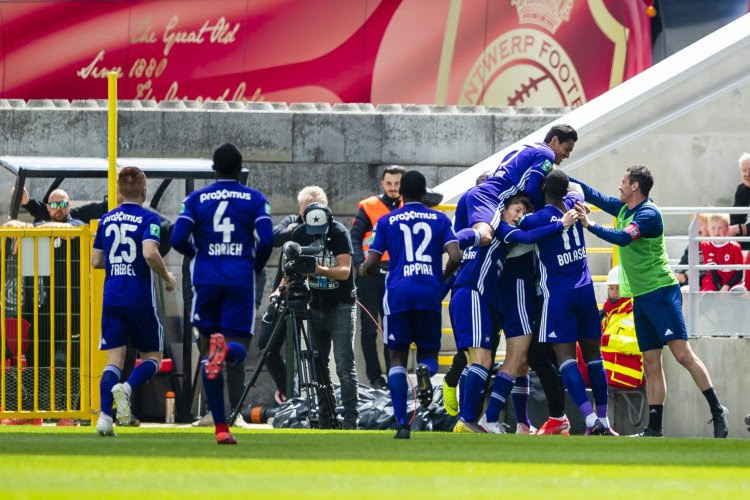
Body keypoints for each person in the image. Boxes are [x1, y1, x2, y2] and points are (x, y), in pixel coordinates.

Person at [574, 165, 729, 438]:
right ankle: (654, 428)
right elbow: (592, 194)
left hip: (662, 293)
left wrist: (591, 224)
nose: (619, 186)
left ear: (635, 186)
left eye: (623, 182)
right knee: (651, 361)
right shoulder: (623, 208)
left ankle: (717, 410)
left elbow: (623, 238)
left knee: (682, 354)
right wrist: (556, 172)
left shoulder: (648, 214)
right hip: (641, 297)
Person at [171, 144, 274, 445]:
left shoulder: (195, 199)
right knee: (237, 345)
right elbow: (266, 240)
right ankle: (225, 352)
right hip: (239, 278)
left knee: (207, 353)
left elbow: (178, 238)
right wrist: (252, 265)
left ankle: (219, 427)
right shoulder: (255, 199)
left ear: (213, 168)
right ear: (240, 169)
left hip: (205, 278)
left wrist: (198, 253)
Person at [451, 191, 577, 433]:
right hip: (476, 293)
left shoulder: (497, 231)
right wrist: (561, 223)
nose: (520, 215)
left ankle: (486, 421)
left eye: (523, 212)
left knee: (488, 361)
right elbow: (527, 236)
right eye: (516, 210)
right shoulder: (499, 228)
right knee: (496, 359)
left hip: (481, 296)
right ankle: (473, 419)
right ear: (501, 209)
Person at [361, 170, 462, 439]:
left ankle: (403, 425)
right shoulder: (440, 219)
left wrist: (363, 271)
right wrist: (439, 277)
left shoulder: (385, 220)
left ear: (401, 193)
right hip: (429, 293)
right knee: (428, 353)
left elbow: (371, 264)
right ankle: (425, 372)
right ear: (424, 192)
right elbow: (455, 255)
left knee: (396, 357)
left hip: (398, 294)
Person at [519, 169, 616, 435]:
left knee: (566, 359)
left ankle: (589, 420)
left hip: (558, 295)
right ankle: (605, 420)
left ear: (542, 191)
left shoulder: (535, 219)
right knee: (594, 357)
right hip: (585, 290)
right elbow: (576, 192)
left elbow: (520, 226)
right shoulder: (575, 203)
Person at [91, 167, 177, 436]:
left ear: (118, 191)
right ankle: (127, 390)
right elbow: (150, 253)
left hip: (112, 296)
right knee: (153, 356)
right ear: (144, 191)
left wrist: (118, 264)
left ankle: (104, 418)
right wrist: (167, 276)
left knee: (113, 362)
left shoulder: (105, 220)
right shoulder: (149, 219)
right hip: (139, 297)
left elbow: (95, 260)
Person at [280, 191, 359, 429]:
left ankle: (350, 421)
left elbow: (345, 271)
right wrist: (284, 285)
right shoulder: (299, 233)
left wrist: (318, 270)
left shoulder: (339, 232)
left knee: (344, 365)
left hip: (341, 304)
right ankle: (327, 418)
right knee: (317, 363)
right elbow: (290, 266)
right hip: (313, 304)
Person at [257, 186, 329, 405]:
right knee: (266, 346)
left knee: (312, 352)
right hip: (286, 292)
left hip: (317, 296)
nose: (312, 215)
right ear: (300, 209)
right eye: (308, 209)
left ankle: (317, 401)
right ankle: (288, 391)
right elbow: (274, 237)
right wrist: (296, 231)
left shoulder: (330, 228)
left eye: (317, 209)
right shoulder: (292, 221)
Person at [463, 124, 577, 247]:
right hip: (491, 198)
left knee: (457, 253)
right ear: (555, 140)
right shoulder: (547, 155)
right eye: (567, 149)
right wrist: (542, 212)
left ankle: (446, 245)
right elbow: (532, 189)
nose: (567, 155)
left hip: (472, 195)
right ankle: (444, 243)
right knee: (485, 235)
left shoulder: (525, 148)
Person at [351, 165, 405, 390]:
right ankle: (375, 378)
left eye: (397, 184)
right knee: (370, 327)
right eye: (389, 183)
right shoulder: (369, 206)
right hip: (370, 275)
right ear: (382, 184)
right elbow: (354, 236)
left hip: (396, 274)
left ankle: (392, 374)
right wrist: (359, 265)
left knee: (392, 327)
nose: (393, 188)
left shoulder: (408, 207)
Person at [700, 213, 745, 292]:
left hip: (732, 282)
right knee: (708, 293)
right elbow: (714, 274)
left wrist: (727, 285)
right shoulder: (706, 245)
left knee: (739, 291)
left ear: (728, 229)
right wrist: (720, 290)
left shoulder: (735, 247)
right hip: (713, 281)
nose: (716, 231)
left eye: (720, 227)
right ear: (708, 229)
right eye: (713, 227)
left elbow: (739, 274)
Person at [729, 153, 750, 289]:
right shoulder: (741, 190)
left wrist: (740, 228)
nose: (747, 174)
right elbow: (735, 218)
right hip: (744, 241)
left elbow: (738, 226)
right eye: (744, 170)